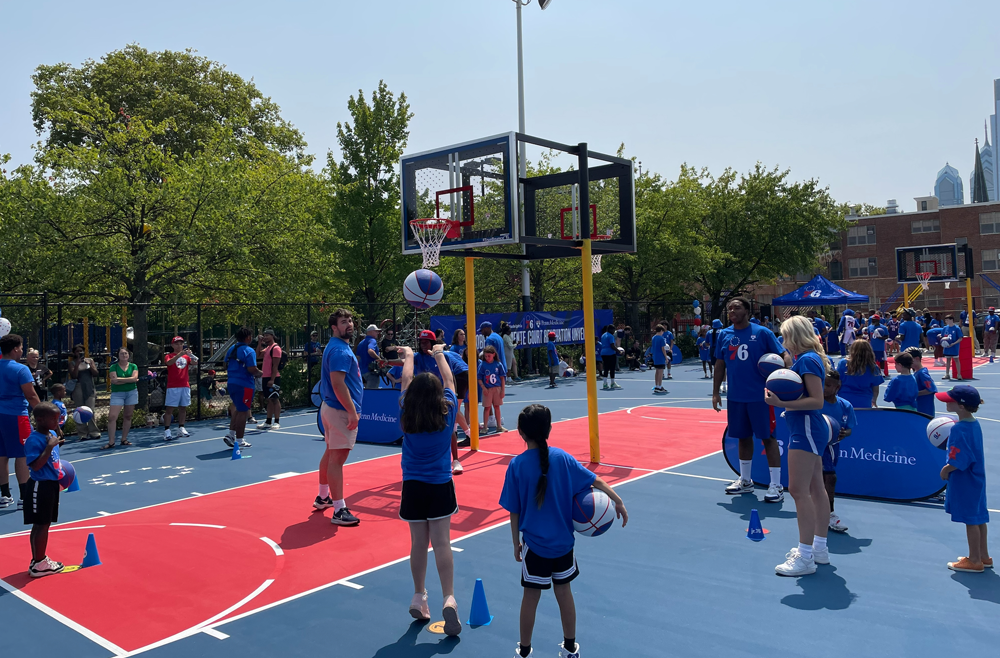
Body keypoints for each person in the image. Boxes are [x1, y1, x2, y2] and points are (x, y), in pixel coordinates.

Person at [499, 404, 628, 658]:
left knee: (531, 598)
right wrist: (618, 500)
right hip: (563, 546)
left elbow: (513, 510)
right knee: (564, 594)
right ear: (549, 429)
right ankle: (570, 649)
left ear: (520, 432)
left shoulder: (517, 466)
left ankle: (524, 652)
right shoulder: (563, 458)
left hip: (534, 546)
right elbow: (596, 480)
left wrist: (515, 542)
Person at [396, 344, 462, 634]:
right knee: (442, 543)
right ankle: (448, 596)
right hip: (439, 485)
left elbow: (407, 381)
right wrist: (438, 354)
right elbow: (450, 381)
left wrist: (409, 356)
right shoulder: (447, 411)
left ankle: (419, 594)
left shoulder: (407, 411)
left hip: (413, 485)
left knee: (418, 543)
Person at [764, 315, 830, 576]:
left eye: (784, 335)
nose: (782, 340)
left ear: (794, 335)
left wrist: (780, 403)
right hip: (806, 427)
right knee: (816, 489)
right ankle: (818, 548)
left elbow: (817, 401)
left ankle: (805, 557)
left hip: (806, 427)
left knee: (798, 491)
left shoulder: (808, 360)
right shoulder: (809, 358)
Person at [714, 298, 790, 502]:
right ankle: (746, 480)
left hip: (761, 397)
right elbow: (720, 363)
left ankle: (776, 485)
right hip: (736, 396)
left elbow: (784, 356)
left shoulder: (762, 333)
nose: (732, 310)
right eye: (729, 308)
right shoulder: (724, 334)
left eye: (736, 307)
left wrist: (786, 377)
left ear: (747, 311)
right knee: (743, 437)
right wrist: (715, 392)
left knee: (768, 438)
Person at [936, 385, 991, 572]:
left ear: (961, 406)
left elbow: (961, 458)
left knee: (970, 520)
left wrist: (946, 469)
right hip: (977, 479)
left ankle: (975, 560)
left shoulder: (959, 429)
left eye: (950, 400)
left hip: (965, 480)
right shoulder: (974, 424)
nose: (946, 402)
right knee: (979, 517)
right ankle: (983, 555)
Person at [316, 309, 363, 526]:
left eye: (351, 320)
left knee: (330, 452)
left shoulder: (336, 347)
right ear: (334, 327)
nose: (350, 324)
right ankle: (338, 510)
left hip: (331, 408)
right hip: (340, 411)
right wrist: (352, 411)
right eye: (344, 322)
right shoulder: (340, 351)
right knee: (337, 460)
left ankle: (323, 496)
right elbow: (337, 383)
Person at [22, 402, 66, 577]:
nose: (57, 421)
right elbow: (36, 465)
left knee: (44, 523)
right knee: (40, 525)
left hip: (51, 484)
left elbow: (53, 454)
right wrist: (49, 447)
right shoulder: (34, 440)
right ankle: (39, 563)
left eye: (58, 418)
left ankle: (38, 560)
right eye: (53, 419)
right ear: (40, 420)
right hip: (40, 485)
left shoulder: (52, 433)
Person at [0, 334, 41, 511]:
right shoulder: (20, 369)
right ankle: (24, 497)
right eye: (22, 347)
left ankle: (4, 495)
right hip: (16, 415)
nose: (22, 350)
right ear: (15, 349)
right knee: (22, 455)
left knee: (2, 455)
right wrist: (43, 414)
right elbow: (31, 395)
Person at [821, 368, 856, 534]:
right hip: (813, 445)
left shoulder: (845, 406)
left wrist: (844, 433)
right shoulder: (815, 401)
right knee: (827, 477)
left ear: (837, 387)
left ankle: (826, 513)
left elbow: (849, 429)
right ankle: (827, 513)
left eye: (828, 385)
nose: (824, 388)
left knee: (827, 478)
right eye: (822, 384)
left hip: (832, 446)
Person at [223, 327, 260, 450]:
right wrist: (261, 373)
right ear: (248, 337)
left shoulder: (231, 349)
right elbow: (252, 369)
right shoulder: (249, 351)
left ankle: (231, 434)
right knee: (243, 412)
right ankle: (240, 440)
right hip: (245, 384)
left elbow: (225, 363)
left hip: (231, 382)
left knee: (238, 409)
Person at [163, 336, 197, 441]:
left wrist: (190, 354)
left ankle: (181, 427)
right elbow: (169, 363)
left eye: (181, 343)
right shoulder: (169, 355)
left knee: (183, 407)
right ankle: (167, 430)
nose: (179, 345)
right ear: (172, 345)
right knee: (170, 409)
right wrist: (179, 355)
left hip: (185, 385)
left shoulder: (186, 356)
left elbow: (195, 362)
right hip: (173, 386)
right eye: (177, 343)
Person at [104, 347, 139, 449]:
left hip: (131, 392)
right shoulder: (113, 367)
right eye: (122, 354)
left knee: (128, 416)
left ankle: (124, 439)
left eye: (126, 354)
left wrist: (120, 379)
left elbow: (134, 379)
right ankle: (111, 441)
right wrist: (130, 380)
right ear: (118, 355)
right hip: (117, 393)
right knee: (112, 417)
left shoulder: (133, 366)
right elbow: (114, 381)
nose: (124, 355)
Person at [836, 340, 882, 409]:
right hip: (864, 401)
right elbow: (875, 388)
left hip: (845, 399)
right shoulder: (873, 367)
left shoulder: (844, 363)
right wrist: (874, 399)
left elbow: (838, 382)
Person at [68, 344, 100, 441]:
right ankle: (82, 433)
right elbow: (73, 375)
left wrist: (90, 366)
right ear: (74, 353)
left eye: (81, 351)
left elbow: (96, 374)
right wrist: (77, 364)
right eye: (77, 351)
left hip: (89, 386)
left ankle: (94, 432)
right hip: (78, 387)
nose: (79, 353)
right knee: (80, 410)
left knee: (90, 410)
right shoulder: (72, 363)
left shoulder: (90, 361)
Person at [256, 329, 284, 430]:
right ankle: (268, 421)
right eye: (264, 335)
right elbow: (258, 354)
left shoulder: (275, 348)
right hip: (265, 376)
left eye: (267, 335)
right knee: (269, 399)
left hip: (274, 377)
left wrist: (272, 380)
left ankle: (276, 422)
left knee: (275, 399)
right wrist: (259, 342)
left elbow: (275, 366)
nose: (265, 337)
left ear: (272, 336)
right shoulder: (268, 348)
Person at [479, 345, 506, 433]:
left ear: (494, 354)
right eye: (485, 356)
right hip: (487, 389)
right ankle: (485, 427)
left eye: (489, 356)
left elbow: (502, 378)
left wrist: (502, 390)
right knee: (487, 407)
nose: (487, 358)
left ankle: (499, 426)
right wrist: (483, 388)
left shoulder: (498, 364)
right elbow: (479, 378)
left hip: (497, 388)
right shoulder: (483, 364)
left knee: (497, 406)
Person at [906, 347, 937, 417]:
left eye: (909, 360)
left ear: (917, 358)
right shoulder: (917, 373)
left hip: (925, 410)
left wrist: (914, 393)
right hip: (919, 407)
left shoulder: (922, 374)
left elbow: (931, 389)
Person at [356, 324, 381, 391]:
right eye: (376, 331)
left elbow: (358, 357)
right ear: (371, 331)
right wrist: (380, 359)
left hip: (362, 373)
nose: (377, 333)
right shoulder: (372, 341)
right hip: (371, 372)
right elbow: (370, 351)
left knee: (365, 392)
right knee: (372, 393)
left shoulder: (361, 343)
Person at [941, 315, 964, 381]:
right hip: (947, 347)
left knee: (956, 360)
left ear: (951, 320)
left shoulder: (956, 328)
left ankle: (959, 374)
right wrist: (942, 340)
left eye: (947, 320)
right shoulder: (945, 328)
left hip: (954, 347)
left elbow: (960, 338)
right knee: (948, 360)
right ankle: (947, 374)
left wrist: (953, 343)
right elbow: (943, 336)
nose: (946, 321)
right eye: (946, 320)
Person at [599, 325, 620, 390]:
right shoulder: (611, 336)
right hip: (610, 353)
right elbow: (612, 345)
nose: (614, 331)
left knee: (606, 368)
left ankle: (605, 383)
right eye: (613, 330)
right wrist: (619, 351)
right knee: (612, 368)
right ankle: (612, 383)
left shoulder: (603, 335)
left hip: (603, 353)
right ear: (610, 330)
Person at [650, 325, 669, 393]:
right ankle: (659, 386)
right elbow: (663, 349)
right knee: (661, 371)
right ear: (661, 331)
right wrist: (666, 357)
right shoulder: (661, 338)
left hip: (655, 356)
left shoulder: (653, 338)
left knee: (657, 371)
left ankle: (657, 385)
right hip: (660, 356)